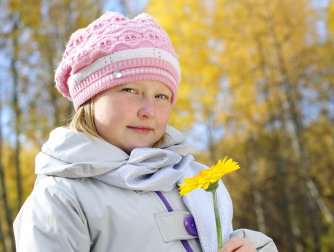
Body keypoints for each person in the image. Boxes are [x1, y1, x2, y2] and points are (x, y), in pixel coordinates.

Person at [13, 12, 277, 252]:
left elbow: (225, 238)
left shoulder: (198, 179)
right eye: (130, 90)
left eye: (162, 95)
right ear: (89, 98)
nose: (148, 110)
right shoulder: (62, 196)